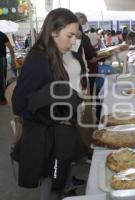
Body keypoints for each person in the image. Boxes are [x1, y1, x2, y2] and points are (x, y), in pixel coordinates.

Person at [11, 8, 86, 199]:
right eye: (69, 35)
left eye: (75, 36)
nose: (73, 42)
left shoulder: (52, 55)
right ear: (53, 31)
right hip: (44, 138)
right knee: (51, 187)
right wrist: (56, 120)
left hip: (54, 135)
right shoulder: (38, 60)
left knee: (57, 184)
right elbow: (19, 104)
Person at [0, 30, 16, 105]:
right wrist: (13, 60)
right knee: (2, 78)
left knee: (2, 78)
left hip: (1, 59)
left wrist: (13, 60)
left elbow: (10, 48)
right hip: (1, 59)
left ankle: (2, 98)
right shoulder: (2, 35)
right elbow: (10, 48)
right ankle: (2, 98)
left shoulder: (2, 35)